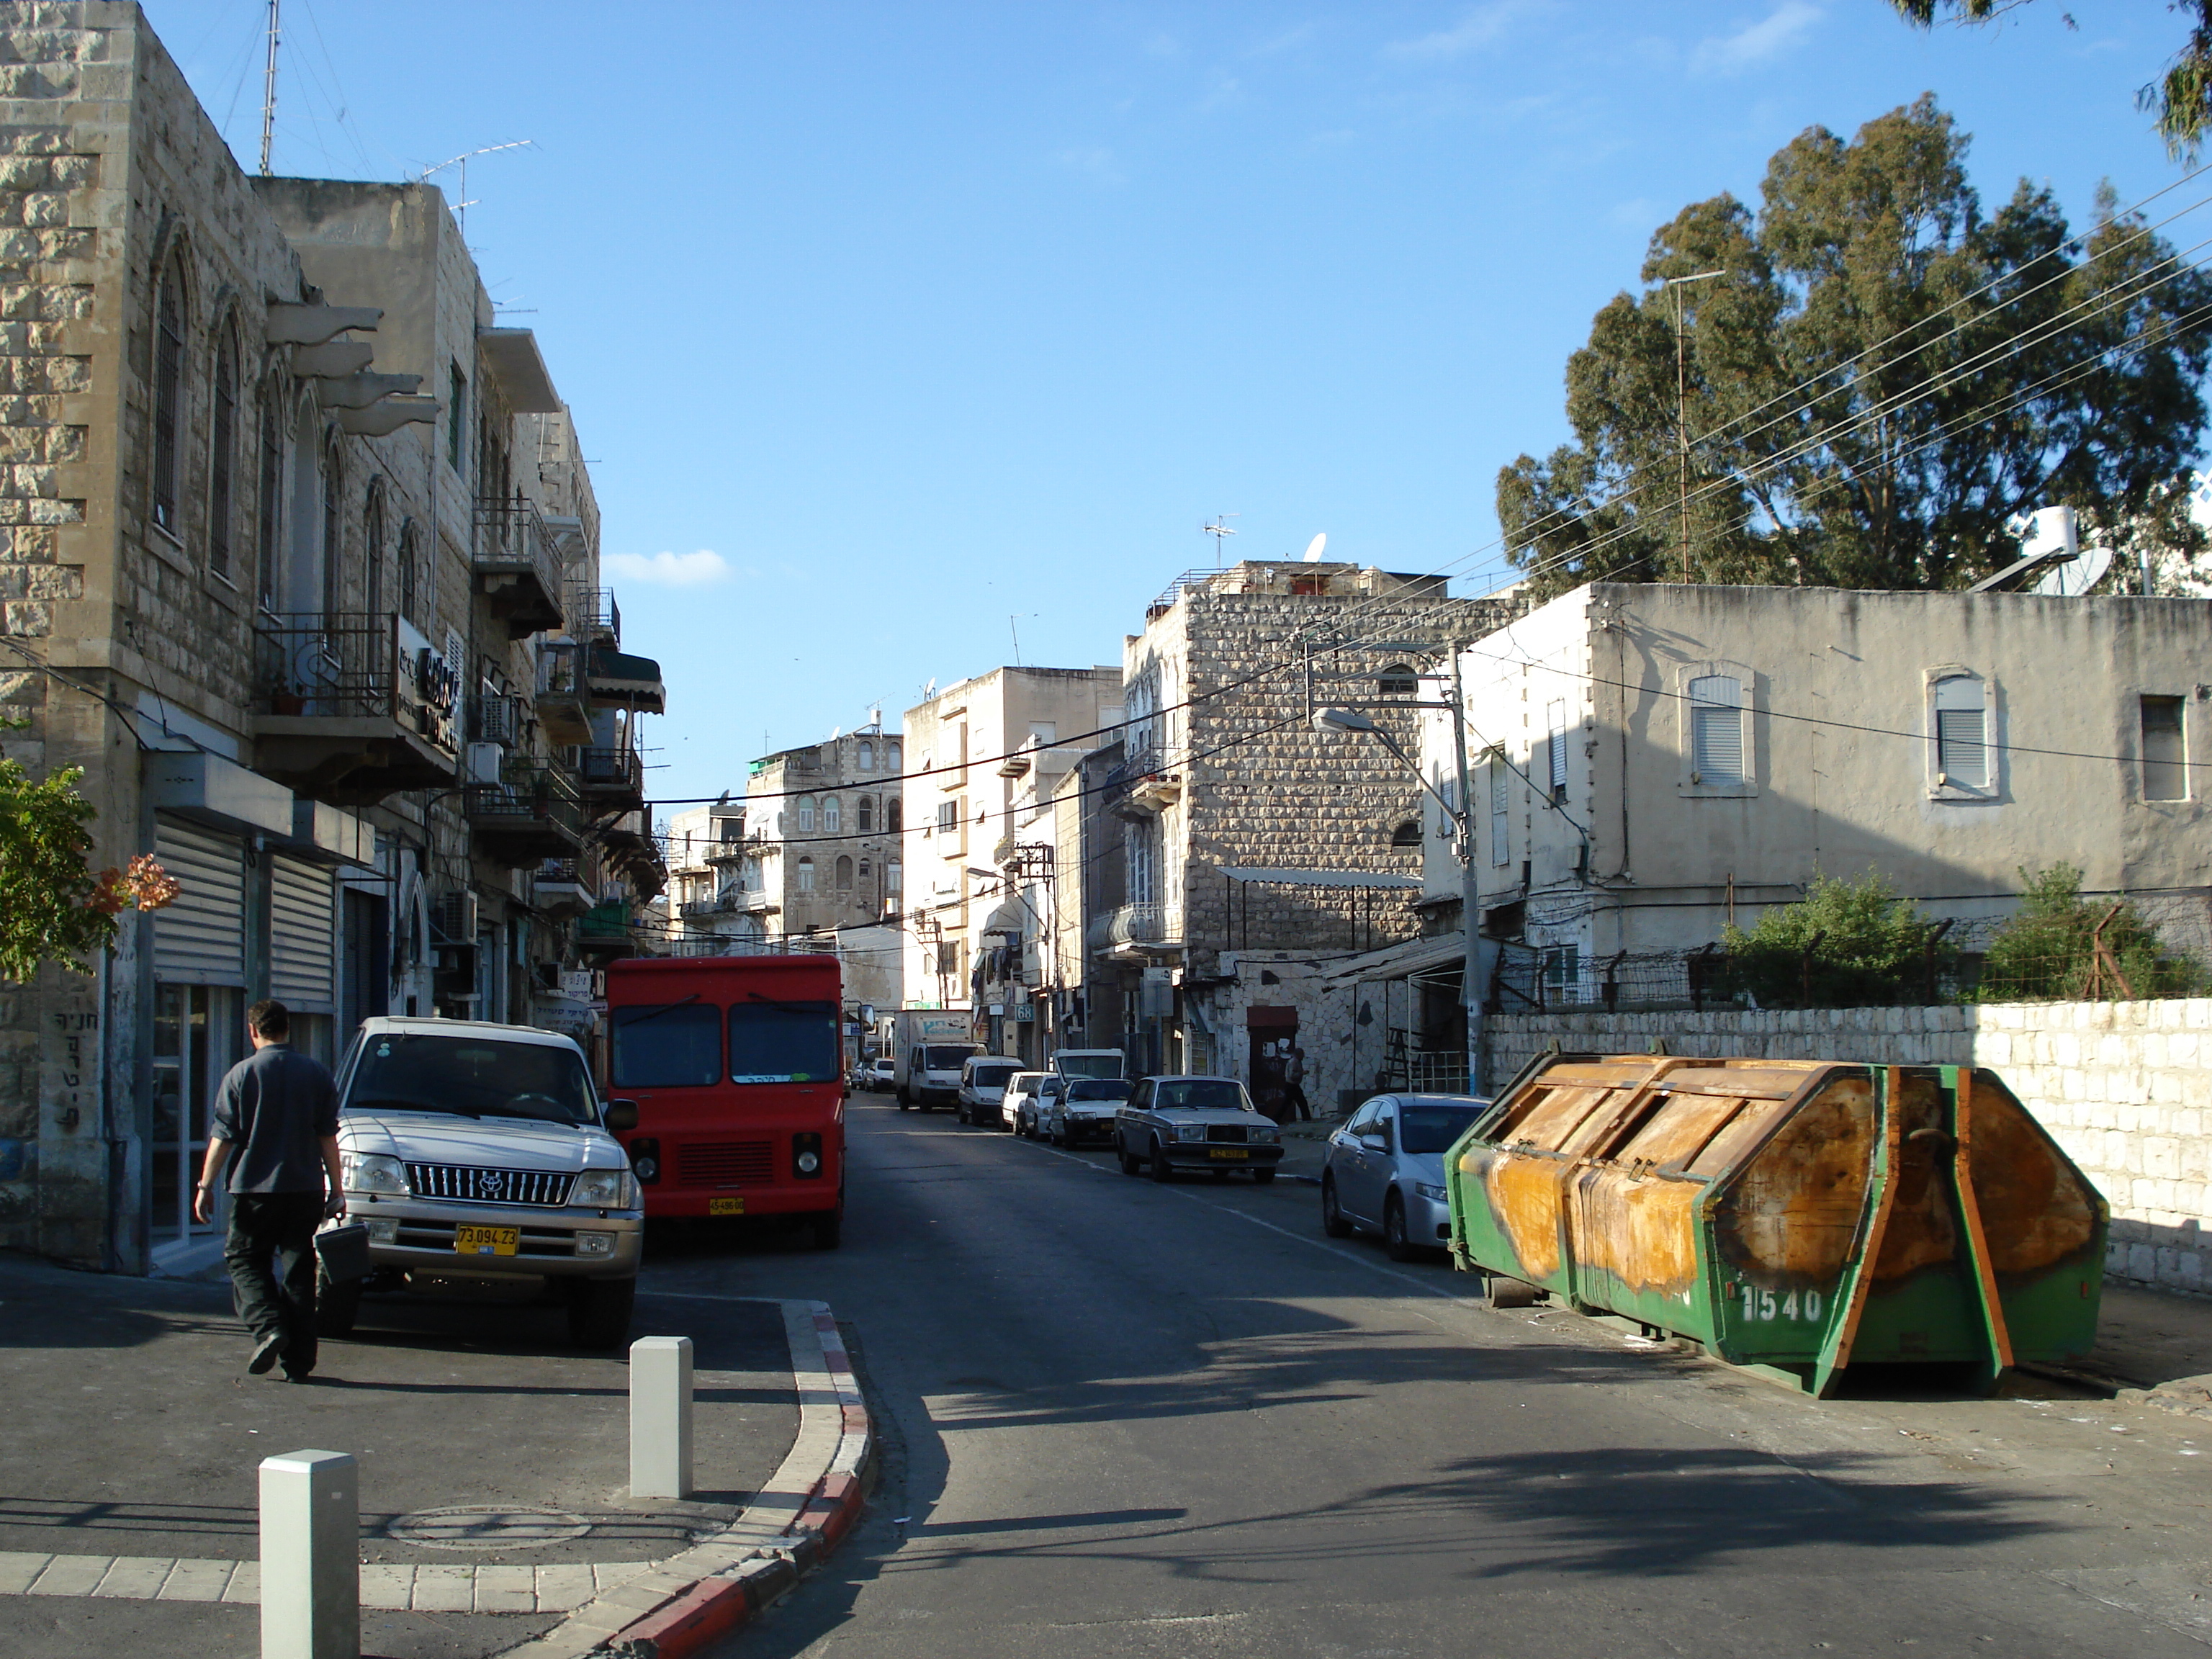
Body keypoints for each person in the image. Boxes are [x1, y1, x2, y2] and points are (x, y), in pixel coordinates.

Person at [192, 999, 343, 1382]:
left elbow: (223, 1138)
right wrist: (337, 1190)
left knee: (244, 1259)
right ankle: (299, 1362)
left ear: (253, 1030)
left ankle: (268, 1325)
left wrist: (205, 1185)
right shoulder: (318, 1075)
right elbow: (328, 1139)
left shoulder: (241, 1076)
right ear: (287, 1029)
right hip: (304, 1189)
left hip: (254, 1190)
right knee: (299, 1271)